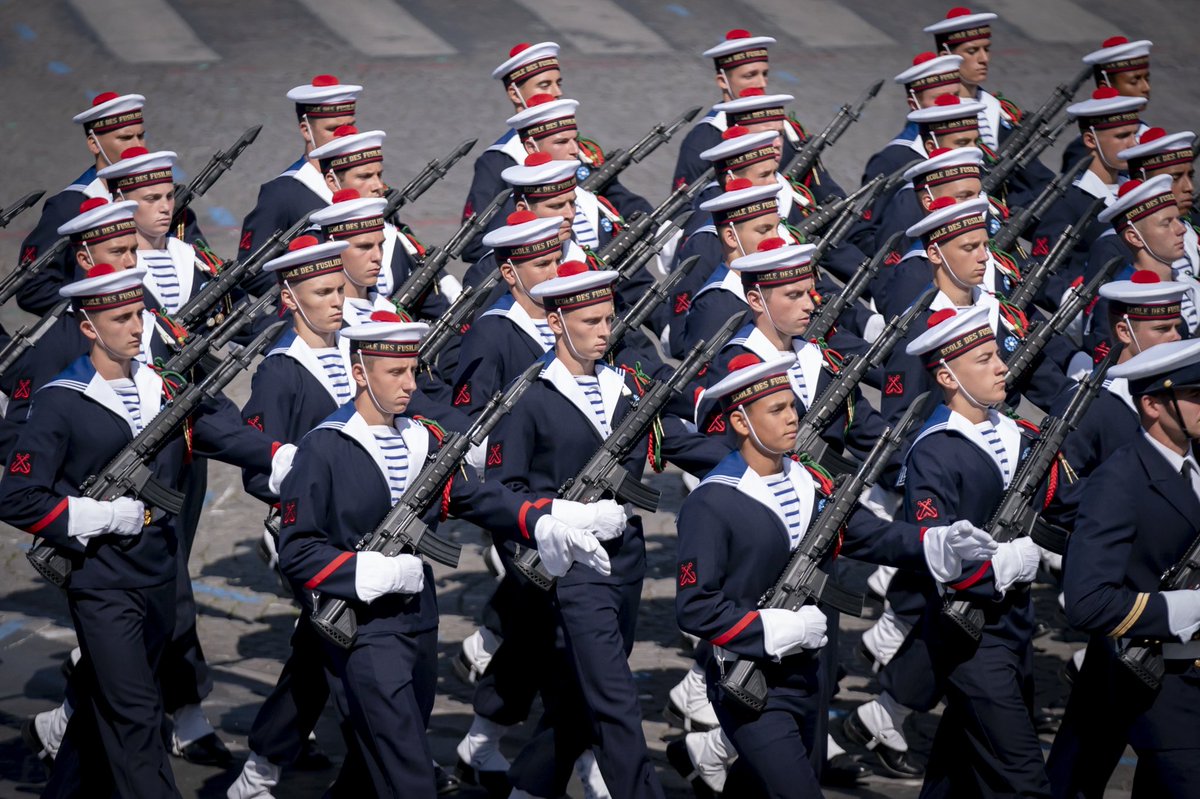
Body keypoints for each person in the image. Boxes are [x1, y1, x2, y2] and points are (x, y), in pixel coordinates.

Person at [276, 310, 618, 796]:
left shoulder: (424, 438)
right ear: (359, 373)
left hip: (418, 618)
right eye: (394, 372)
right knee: (409, 766)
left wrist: (543, 523)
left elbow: (478, 497)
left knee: (380, 758)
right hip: (361, 626)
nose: (408, 384)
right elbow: (298, 549)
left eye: (412, 370)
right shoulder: (325, 447)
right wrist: (364, 569)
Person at [0, 266, 291, 798]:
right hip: (102, 585)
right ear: (89, 327)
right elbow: (18, 496)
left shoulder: (163, 387)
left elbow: (218, 433)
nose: (138, 327)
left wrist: (281, 455)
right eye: (121, 318)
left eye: (138, 313)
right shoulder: (60, 400)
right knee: (137, 718)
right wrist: (99, 517)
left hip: (159, 574)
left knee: (99, 707)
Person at [675, 350, 996, 796]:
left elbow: (867, 536)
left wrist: (933, 542)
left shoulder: (810, 483)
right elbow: (696, 608)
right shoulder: (712, 502)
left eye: (792, 405)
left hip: (808, 675)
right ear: (741, 423)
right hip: (748, 682)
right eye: (777, 410)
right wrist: (773, 627)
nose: (793, 418)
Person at [894, 304, 1050, 797]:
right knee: (1023, 777)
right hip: (970, 636)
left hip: (1015, 625)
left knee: (958, 770)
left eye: (996, 354)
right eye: (983, 359)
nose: (1002, 365)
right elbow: (934, 548)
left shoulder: (1014, 433)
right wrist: (1003, 566)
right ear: (946, 375)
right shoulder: (935, 450)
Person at [1051, 337, 1200, 798]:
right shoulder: (1119, 482)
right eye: (1195, 395)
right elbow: (1087, 601)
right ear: (1153, 405)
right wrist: (1180, 608)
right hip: (1164, 690)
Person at [237, 74, 361, 288]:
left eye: (350, 125)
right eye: (332, 129)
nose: (345, 135)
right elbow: (251, 271)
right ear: (306, 130)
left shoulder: (369, 184)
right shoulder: (282, 193)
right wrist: (309, 295)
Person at [1030, 87, 1146, 310]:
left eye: (1134, 134)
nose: (1133, 144)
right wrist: (1079, 306)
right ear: (1091, 140)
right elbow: (1041, 271)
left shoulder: (1138, 190)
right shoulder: (1068, 201)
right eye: (1122, 136)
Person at [672, 29, 776, 191]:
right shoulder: (702, 141)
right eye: (750, 75)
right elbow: (686, 209)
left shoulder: (782, 126)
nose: (762, 83)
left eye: (765, 74)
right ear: (722, 81)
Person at [1060, 36, 1153, 171]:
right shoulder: (1083, 149)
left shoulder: (1148, 135)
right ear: (1106, 87)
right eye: (1134, 81)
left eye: (1147, 79)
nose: (1146, 87)